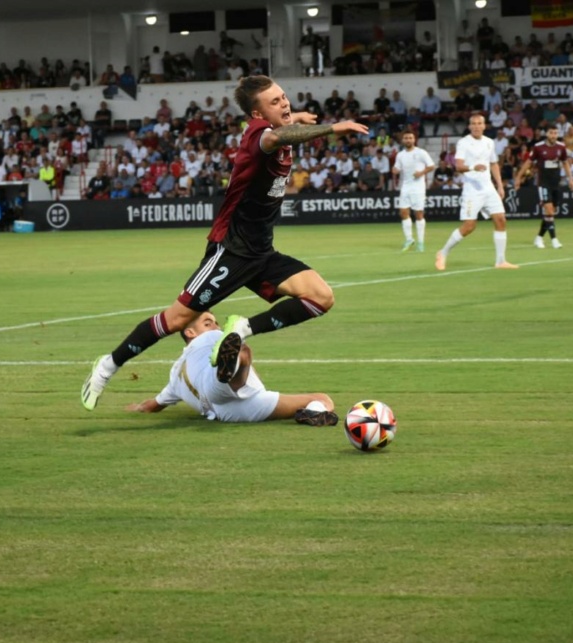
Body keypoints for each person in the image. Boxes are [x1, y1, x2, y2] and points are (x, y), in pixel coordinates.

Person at [81, 75, 369, 411]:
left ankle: (242, 327)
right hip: (230, 251)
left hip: (261, 252)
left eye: (284, 97)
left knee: (321, 297)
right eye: (274, 102)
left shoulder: (277, 130)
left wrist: (298, 118)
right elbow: (276, 135)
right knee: (175, 320)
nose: (284, 103)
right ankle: (106, 367)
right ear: (256, 114)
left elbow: (285, 131)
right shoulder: (258, 135)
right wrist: (332, 129)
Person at [126, 312, 338, 426]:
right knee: (323, 399)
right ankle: (239, 362)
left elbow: (153, 405)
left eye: (215, 323)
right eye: (208, 322)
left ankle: (238, 365)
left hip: (226, 412)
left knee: (232, 367)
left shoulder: (174, 375)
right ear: (189, 332)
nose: (215, 326)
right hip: (235, 398)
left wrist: (137, 408)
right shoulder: (211, 338)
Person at [435, 113, 517, 271]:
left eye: (480, 123)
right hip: (472, 190)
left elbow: (493, 164)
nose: (477, 126)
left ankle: (501, 261)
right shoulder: (464, 143)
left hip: (488, 188)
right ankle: (443, 252)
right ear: (469, 126)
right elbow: (458, 166)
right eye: (473, 123)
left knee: (501, 220)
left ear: (484, 125)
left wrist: (499, 185)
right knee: (469, 226)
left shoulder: (489, 142)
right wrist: (473, 167)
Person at [513, 126, 573, 249]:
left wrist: (570, 178)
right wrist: (518, 177)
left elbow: (565, 163)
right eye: (551, 133)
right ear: (546, 134)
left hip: (555, 183)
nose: (553, 135)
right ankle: (554, 240)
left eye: (555, 133)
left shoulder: (561, 147)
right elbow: (528, 162)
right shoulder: (538, 147)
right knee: (550, 211)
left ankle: (539, 238)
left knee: (550, 214)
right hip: (543, 183)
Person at [391, 130, 436, 252]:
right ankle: (409, 239)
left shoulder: (421, 153)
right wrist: (395, 170)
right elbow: (397, 168)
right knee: (403, 212)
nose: (408, 140)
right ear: (402, 140)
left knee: (419, 214)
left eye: (410, 138)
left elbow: (432, 166)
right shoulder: (400, 155)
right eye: (406, 138)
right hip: (405, 186)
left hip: (418, 187)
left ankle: (421, 243)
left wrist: (421, 173)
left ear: (414, 139)